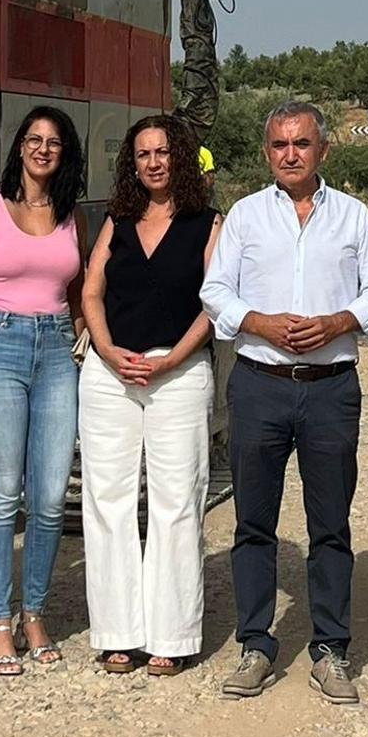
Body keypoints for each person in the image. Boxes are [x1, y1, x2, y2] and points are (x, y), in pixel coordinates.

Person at [201, 98, 368, 706]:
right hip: (259, 385)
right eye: (280, 145)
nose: (291, 154)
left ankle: (331, 650)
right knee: (253, 523)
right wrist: (256, 321)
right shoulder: (245, 216)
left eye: (302, 144)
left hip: (330, 388)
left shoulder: (354, 217)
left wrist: (342, 320)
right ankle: (256, 644)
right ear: (267, 153)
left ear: (323, 150)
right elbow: (214, 292)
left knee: (330, 526)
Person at [0, 105, 86, 676]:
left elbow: (79, 293)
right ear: (18, 146)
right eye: (33, 139)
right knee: (2, 492)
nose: (43, 149)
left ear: (64, 151)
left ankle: (35, 613)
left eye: (53, 141)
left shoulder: (71, 214)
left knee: (50, 496)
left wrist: (86, 342)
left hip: (55, 351)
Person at [79, 114, 220, 674]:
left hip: (178, 372)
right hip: (110, 371)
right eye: (142, 155)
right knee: (108, 501)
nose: (153, 162)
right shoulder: (117, 219)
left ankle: (173, 635)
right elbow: (92, 290)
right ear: (130, 164)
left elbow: (215, 303)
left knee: (176, 502)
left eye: (162, 153)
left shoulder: (209, 223)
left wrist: (173, 360)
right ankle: (118, 632)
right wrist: (109, 351)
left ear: (178, 158)